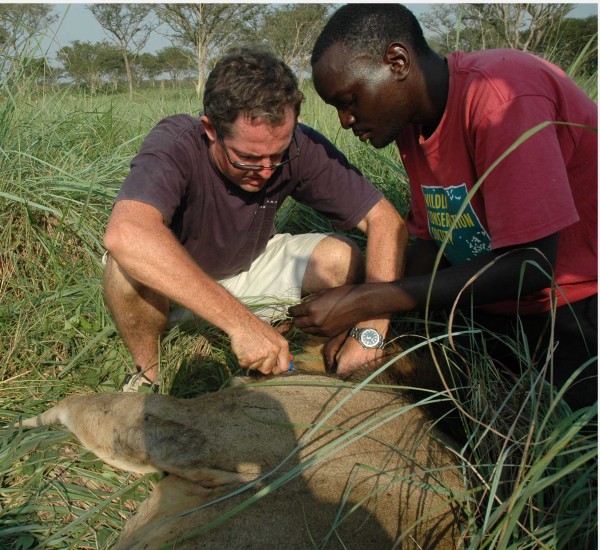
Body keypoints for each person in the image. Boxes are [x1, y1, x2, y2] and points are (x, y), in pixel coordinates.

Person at [290, 4, 597, 410]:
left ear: (396, 62)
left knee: (539, 446)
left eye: (350, 100)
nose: (346, 121)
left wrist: (370, 301)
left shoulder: (501, 97)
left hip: (572, 307)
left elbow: (532, 264)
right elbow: (437, 242)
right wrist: (361, 320)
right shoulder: (408, 125)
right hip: (484, 303)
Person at [103, 45, 406, 391]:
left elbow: (385, 221)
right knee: (124, 268)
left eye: (276, 156)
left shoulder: (297, 147)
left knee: (342, 257)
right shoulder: (177, 142)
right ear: (211, 129)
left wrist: (371, 329)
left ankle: (299, 356)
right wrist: (239, 323)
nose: (265, 172)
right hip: (172, 291)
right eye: (247, 158)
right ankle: (146, 377)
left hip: (248, 268)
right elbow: (125, 233)